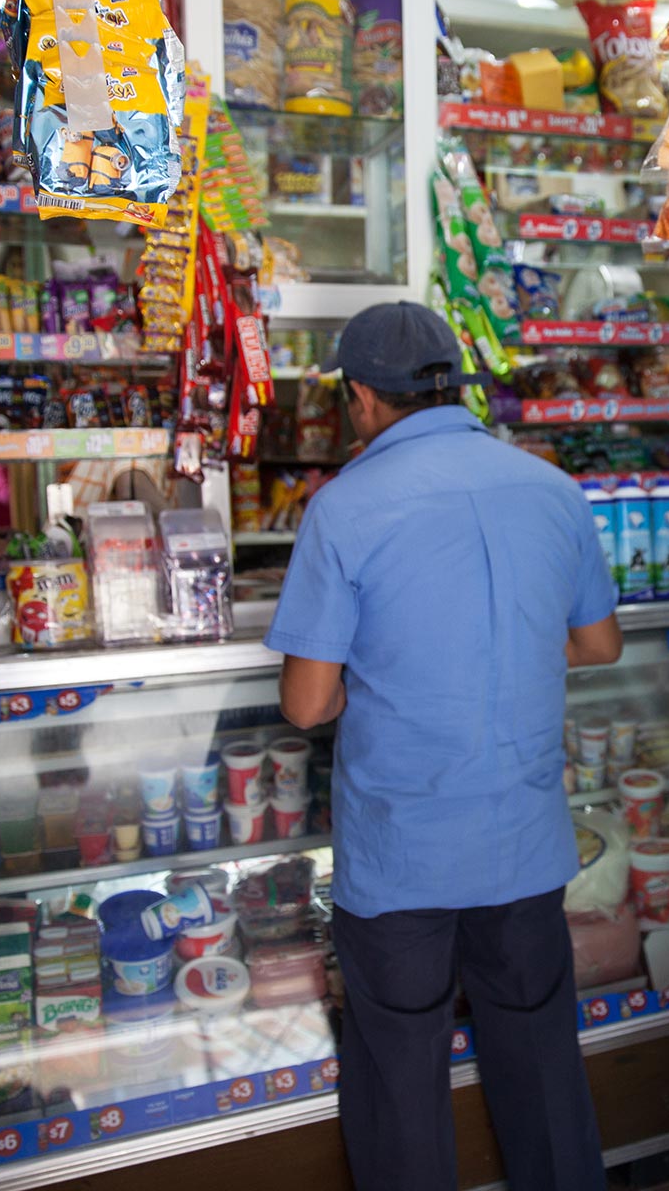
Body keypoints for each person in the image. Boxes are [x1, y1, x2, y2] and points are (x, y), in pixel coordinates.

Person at [266, 302, 623, 1191]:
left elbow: (307, 705)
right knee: (539, 1050)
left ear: (360, 398)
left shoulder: (342, 509)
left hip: (402, 857)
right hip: (524, 842)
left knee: (399, 1069)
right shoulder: (551, 488)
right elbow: (598, 645)